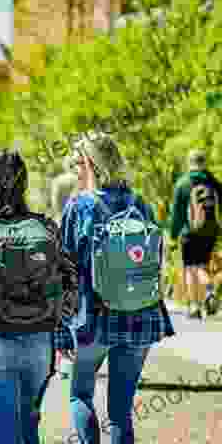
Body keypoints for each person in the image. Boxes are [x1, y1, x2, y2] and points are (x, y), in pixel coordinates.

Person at [0, 150, 79, 444]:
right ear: (23, 183)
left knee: (6, 434)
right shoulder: (44, 226)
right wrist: (62, 323)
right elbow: (71, 277)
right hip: (40, 341)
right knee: (29, 429)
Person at [60, 132, 175, 444]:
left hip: (93, 319)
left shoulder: (79, 207)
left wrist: (60, 325)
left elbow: (65, 270)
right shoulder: (141, 205)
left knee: (80, 394)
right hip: (141, 316)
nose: (75, 170)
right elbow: (153, 260)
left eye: (77, 164)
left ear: (90, 164)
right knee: (121, 412)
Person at [170, 149, 222, 320]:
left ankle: (194, 306)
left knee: (191, 268)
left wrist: (173, 234)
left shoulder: (183, 183)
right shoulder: (212, 182)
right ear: (204, 163)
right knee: (202, 266)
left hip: (190, 232)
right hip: (210, 231)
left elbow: (177, 213)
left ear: (189, 163)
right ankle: (208, 293)